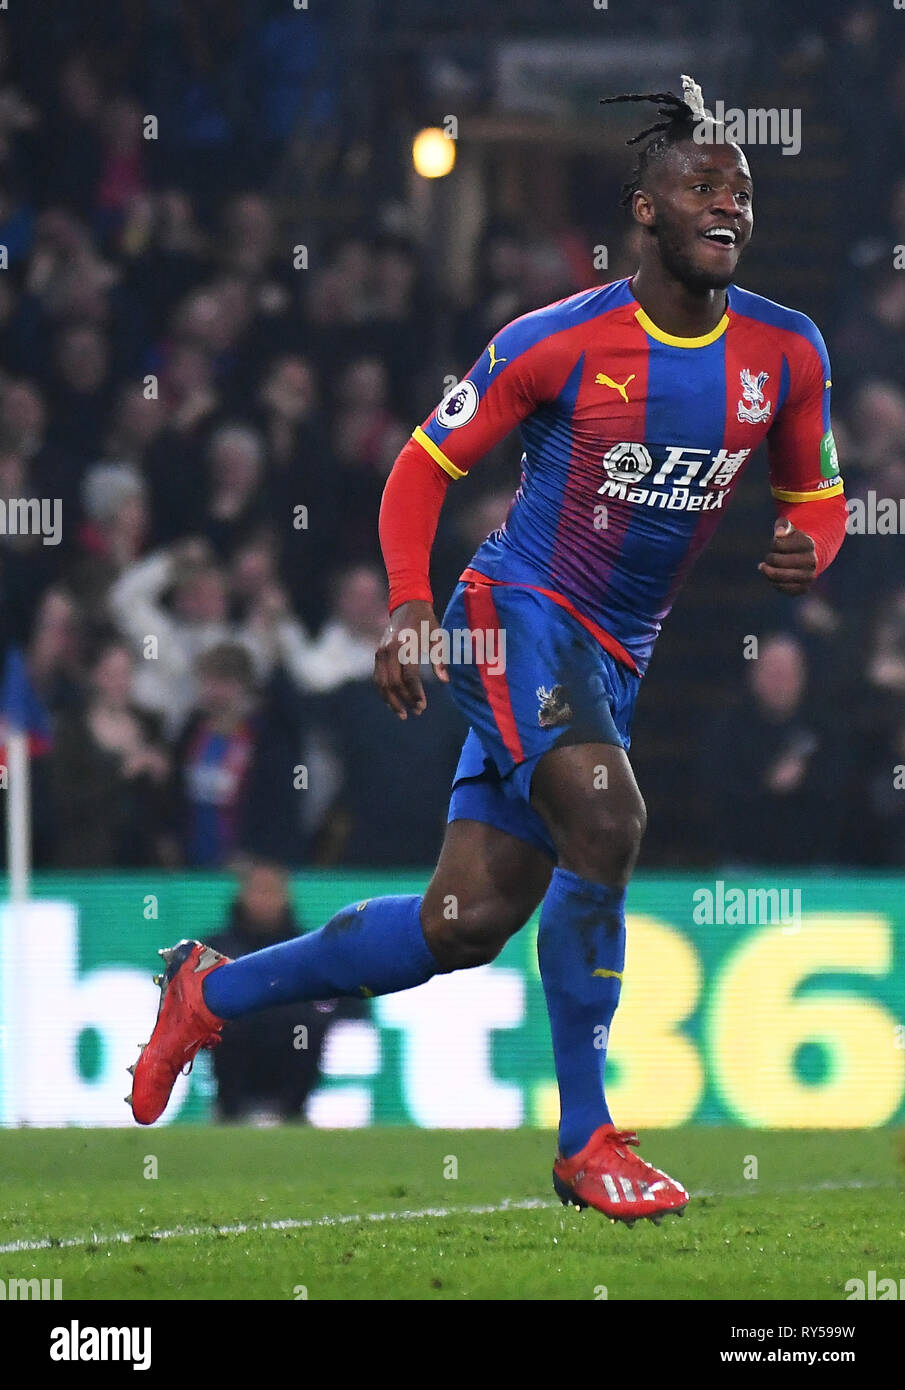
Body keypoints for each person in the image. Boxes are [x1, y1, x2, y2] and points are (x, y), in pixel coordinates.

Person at [127, 78, 848, 1226]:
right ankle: (584, 1139)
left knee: (460, 923)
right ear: (644, 209)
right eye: (701, 184)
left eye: (742, 189)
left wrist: (808, 541)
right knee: (606, 819)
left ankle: (208, 993)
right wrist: (410, 605)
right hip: (514, 609)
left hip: (613, 653)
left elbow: (817, 494)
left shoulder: (785, 351)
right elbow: (421, 469)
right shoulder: (555, 341)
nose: (728, 204)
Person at [205, 862, 360, 1123]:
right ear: (242, 895)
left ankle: (291, 1113)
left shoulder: (311, 948)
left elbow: (346, 1004)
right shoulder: (215, 950)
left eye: (272, 891)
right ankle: (230, 1112)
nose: (265, 900)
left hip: (292, 1048)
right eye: (258, 891)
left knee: (307, 1026)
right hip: (236, 1051)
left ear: (286, 896)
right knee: (225, 1024)